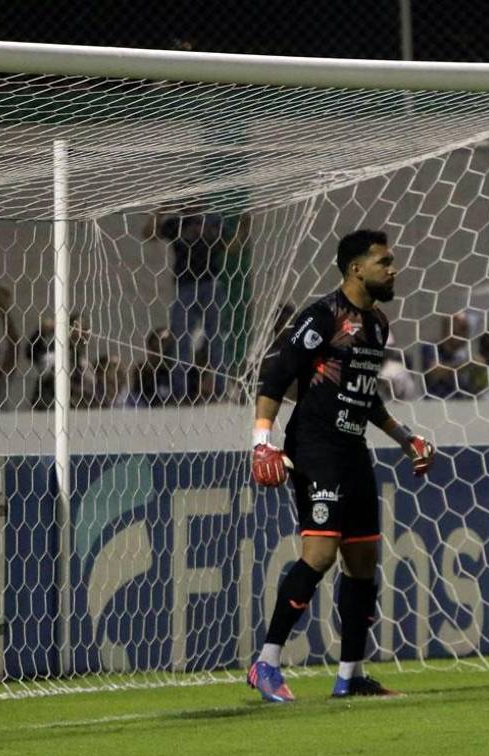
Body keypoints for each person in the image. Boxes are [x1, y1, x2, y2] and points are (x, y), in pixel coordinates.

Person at [248, 228, 435, 702]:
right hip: (315, 446)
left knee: (363, 561)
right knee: (321, 554)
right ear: (356, 268)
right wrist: (261, 443)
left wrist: (406, 437)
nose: (393, 269)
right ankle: (266, 663)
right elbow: (277, 374)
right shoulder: (324, 315)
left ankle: (350, 675)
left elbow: (364, 395)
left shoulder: (377, 324)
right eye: (384, 261)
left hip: (352, 450)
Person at [150, 209, 249, 403]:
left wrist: (243, 227)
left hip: (210, 284)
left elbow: (231, 248)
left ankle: (220, 390)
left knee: (216, 338)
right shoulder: (176, 223)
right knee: (181, 339)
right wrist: (158, 213)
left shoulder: (213, 221)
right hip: (184, 286)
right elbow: (150, 234)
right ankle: (181, 393)